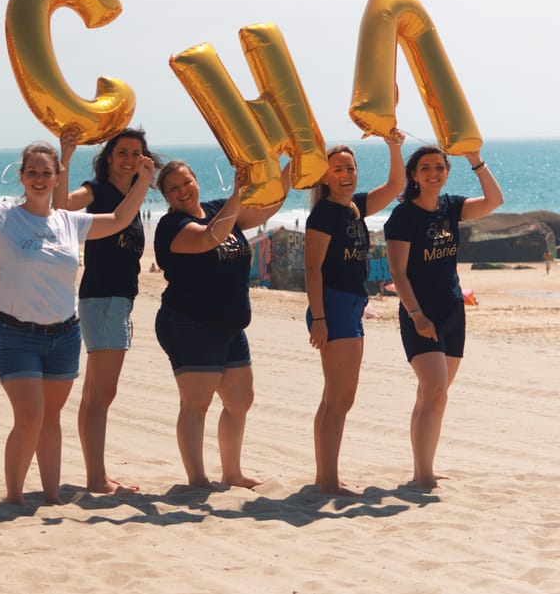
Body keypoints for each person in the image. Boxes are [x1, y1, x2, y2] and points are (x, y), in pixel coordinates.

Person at [0, 138, 154, 506]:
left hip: (63, 335)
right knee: (30, 416)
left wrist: (144, 180)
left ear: (57, 176)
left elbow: (118, 220)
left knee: (50, 418)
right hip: (16, 335)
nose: (38, 178)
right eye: (31, 172)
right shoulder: (2, 218)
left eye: (46, 173)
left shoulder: (69, 222)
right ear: (21, 176)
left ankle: (51, 497)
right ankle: (14, 498)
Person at [153, 160, 288, 490]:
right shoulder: (171, 227)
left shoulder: (217, 209)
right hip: (190, 324)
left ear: (197, 180)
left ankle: (232, 474)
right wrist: (239, 193)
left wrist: (290, 169)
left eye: (187, 182)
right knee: (196, 404)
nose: (183, 190)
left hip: (230, 324)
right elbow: (209, 238)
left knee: (240, 401)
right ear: (166, 196)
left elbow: (265, 211)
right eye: (174, 188)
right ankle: (198, 479)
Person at [385, 145, 502, 490]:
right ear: (414, 175)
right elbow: (398, 272)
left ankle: (425, 467)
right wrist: (417, 314)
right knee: (435, 391)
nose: (433, 173)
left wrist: (475, 160)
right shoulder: (403, 216)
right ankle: (422, 475)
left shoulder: (451, 207)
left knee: (430, 395)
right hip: (421, 314)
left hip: (453, 311)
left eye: (439, 167)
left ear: (447, 171)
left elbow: (495, 201)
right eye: (425, 168)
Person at [55, 127, 157, 495]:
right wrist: (64, 156)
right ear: (109, 158)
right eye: (122, 152)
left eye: (135, 153)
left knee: (95, 394)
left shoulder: (134, 194)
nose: (128, 159)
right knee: (101, 394)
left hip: (115, 303)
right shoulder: (97, 191)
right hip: (102, 299)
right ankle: (97, 478)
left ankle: (95, 474)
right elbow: (62, 203)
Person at [303, 133, 404, 494]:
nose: (346, 173)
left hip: (350, 305)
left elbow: (396, 184)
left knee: (334, 397)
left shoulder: (356, 206)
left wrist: (394, 145)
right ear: (325, 177)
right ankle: (327, 481)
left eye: (351, 167)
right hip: (332, 306)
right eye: (338, 169)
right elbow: (312, 268)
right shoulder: (324, 213)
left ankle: (324, 477)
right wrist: (319, 318)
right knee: (341, 398)